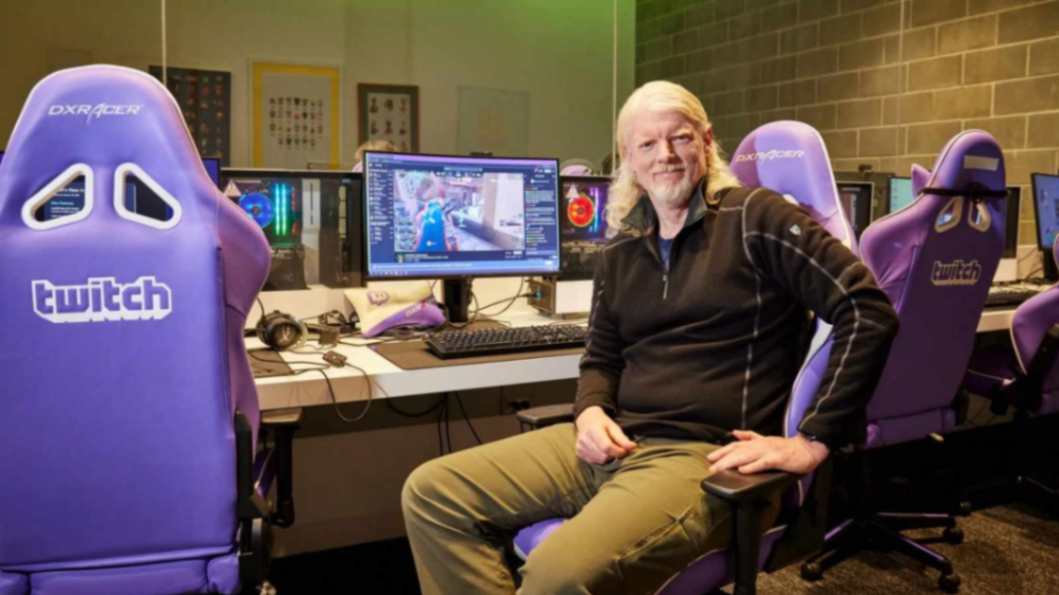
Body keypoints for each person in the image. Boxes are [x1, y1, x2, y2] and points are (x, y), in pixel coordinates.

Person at [401, 81, 899, 595]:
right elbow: (601, 356)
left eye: (679, 138)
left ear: (706, 142)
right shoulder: (621, 249)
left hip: (702, 458)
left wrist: (812, 442)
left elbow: (868, 309)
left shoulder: (756, 217)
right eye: (646, 144)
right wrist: (590, 410)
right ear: (628, 158)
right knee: (433, 494)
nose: (665, 155)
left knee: (558, 573)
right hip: (613, 442)